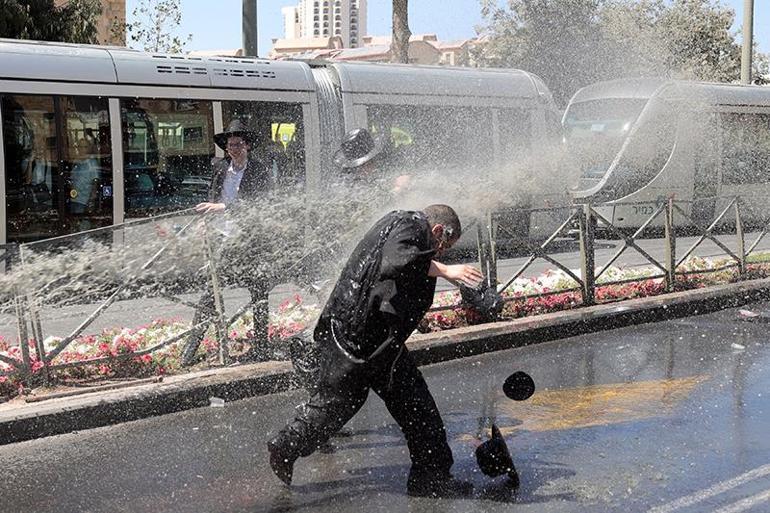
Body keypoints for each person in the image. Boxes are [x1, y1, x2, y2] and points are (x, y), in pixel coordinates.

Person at [268, 204, 484, 498]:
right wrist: (446, 270)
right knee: (417, 409)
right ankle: (430, 478)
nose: (441, 253)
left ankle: (287, 443)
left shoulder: (403, 224)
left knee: (341, 404)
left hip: (365, 338)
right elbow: (395, 261)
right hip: (370, 340)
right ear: (437, 231)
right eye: (444, 245)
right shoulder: (411, 226)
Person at [180, 119, 274, 366]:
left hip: (251, 241)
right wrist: (205, 222)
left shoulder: (260, 170)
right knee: (211, 292)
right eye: (230, 145)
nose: (234, 149)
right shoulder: (221, 168)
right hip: (225, 239)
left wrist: (222, 207)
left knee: (259, 292)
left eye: (239, 144)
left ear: (248, 146)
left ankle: (262, 347)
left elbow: (258, 203)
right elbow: (211, 197)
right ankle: (189, 350)